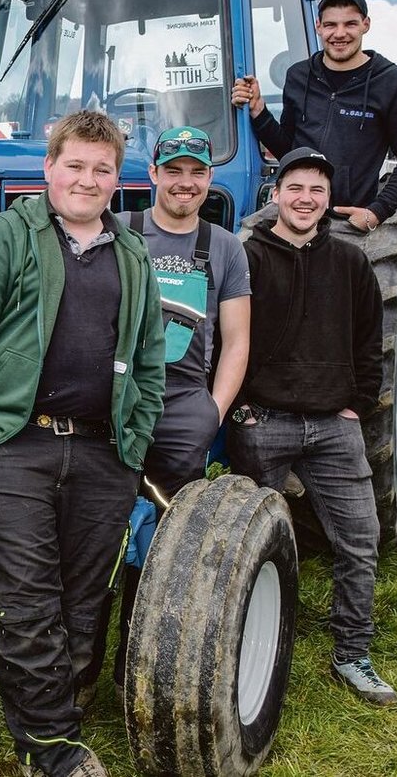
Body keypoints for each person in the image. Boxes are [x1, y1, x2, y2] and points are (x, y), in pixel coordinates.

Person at [0, 110, 165, 777]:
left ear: (117, 178)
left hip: (100, 451)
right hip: (12, 447)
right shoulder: (2, 239)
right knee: (27, 601)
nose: (87, 180)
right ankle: (50, 747)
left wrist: (134, 439)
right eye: (75, 165)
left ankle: (65, 695)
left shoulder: (132, 255)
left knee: (85, 596)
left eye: (102, 169)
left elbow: (150, 358)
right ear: (49, 168)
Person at [77, 125, 251, 704]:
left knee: (166, 547)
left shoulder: (224, 248)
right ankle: (79, 672)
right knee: (96, 536)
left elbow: (237, 341)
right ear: (153, 174)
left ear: (208, 180)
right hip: (114, 402)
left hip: (181, 408)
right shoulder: (119, 230)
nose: (184, 183)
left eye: (196, 173)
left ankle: (137, 671)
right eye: (173, 171)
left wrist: (212, 411)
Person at [226, 146, 396, 706]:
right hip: (264, 424)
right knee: (246, 546)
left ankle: (352, 653)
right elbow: (223, 339)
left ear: (329, 200)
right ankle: (238, 652)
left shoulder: (350, 262)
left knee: (360, 540)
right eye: (295, 188)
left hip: (332, 427)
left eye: (317, 190)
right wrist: (241, 409)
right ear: (276, 193)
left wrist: (358, 403)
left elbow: (369, 339)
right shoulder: (246, 257)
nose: (306, 199)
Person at [231, 0, 397, 233]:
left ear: (365, 24)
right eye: (331, 25)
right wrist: (258, 111)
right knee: (242, 244)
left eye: (350, 24)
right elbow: (289, 150)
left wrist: (377, 212)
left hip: (347, 219)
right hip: (294, 210)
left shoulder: (392, 81)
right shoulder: (298, 76)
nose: (339, 33)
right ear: (318, 26)